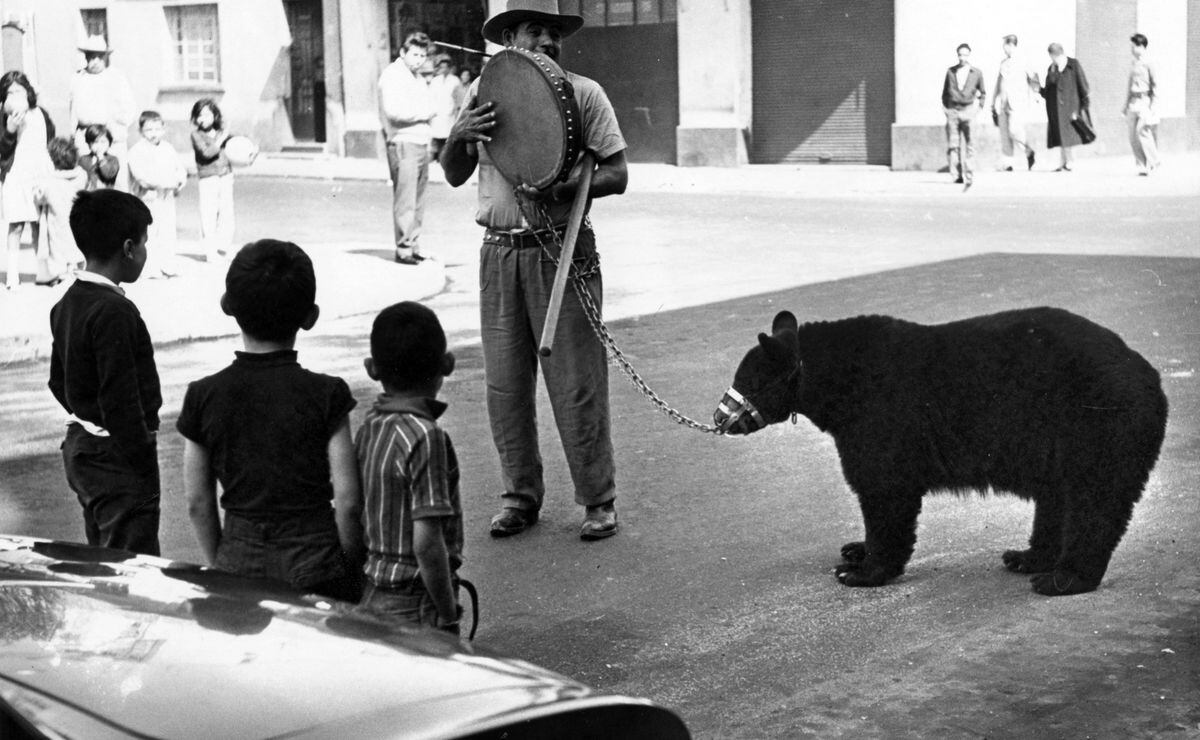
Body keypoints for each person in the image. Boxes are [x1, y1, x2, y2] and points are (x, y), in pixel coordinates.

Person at [441, 0, 628, 540]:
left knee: (577, 383)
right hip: (499, 251)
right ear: (510, 40)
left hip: (561, 251)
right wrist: (458, 135)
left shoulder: (585, 94)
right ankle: (519, 496)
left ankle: (598, 500)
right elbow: (454, 175)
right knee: (505, 385)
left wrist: (569, 186)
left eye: (553, 32)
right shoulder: (483, 93)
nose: (546, 40)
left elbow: (616, 172)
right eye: (533, 31)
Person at [177, 239, 364, 601]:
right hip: (316, 557)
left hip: (239, 554)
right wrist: (351, 569)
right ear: (310, 316)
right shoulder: (328, 394)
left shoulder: (203, 395)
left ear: (227, 307)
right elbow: (349, 502)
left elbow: (197, 501)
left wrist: (223, 560)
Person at [48, 189, 160, 555]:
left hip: (83, 447)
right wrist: (141, 452)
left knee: (102, 552)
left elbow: (56, 380)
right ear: (128, 248)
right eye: (144, 243)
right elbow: (121, 399)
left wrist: (86, 411)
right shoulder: (115, 312)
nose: (145, 253)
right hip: (116, 456)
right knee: (131, 566)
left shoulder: (66, 302)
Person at [355, 301, 464, 633]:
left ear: (372, 369)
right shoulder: (426, 437)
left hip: (373, 589)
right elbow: (427, 543)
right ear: (447, 364)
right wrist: (447, 614)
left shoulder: (369, 427)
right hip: (416, 599)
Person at [378, 31, 435, 265]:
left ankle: (413, 244)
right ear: (403, 52)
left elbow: (430, 103)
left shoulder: (416, 77)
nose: (419, 59)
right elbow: (394, 113)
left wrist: (426, 112)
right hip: (403, 142)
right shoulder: (392, 76)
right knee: (406, 200)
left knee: (418, 199)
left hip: (420, 142)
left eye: (422, 55)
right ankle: (403, 249)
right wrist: (424, 114)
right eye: (414, 54)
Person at [1, 70, 54, 290]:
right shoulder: (4, 116)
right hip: (16, 174)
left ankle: (41, 271)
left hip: (38, 173)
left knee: (38, 224)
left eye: (19, 90)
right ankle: (13, 275)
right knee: (16, 224)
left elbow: (49, 136)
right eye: (10, 92)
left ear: (27, 91)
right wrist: (10, 131)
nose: (15, 95)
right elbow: (2, 150)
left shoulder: (39, 113)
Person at [68, 35, 135, 191]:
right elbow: (73, 110)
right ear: (85, 57)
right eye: (91, 57)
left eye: (99, 57)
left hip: (111, 137)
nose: (95, 61)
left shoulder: (116, 77)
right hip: (85, 138)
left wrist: (115, 126)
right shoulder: (78, 78)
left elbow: (129, 109)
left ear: (105, 57)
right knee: (87, 181)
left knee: (116, 182)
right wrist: (73, 134)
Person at [127, 110, 187, 278]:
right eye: (149, 130)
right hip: (148, 198)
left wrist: (180, 180)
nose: (154, 134)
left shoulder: (168, 148)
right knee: (150, 233)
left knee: (168, 230)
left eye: (157, 129)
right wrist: (169, 182)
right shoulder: (136, 151)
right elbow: (143, 178)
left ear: (164, 129)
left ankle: (168, 265)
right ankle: (149, 268)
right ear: (141, 131)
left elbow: (179, 169)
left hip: (166, 197)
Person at [33, 136, 87, 285]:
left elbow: (40, 198)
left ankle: (64, 275)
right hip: (77, 218)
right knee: (76, 246)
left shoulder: (50, 182)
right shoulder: (81, 176)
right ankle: (76, 271)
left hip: (57, 220)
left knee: (58, 247)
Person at [190, 98, 235, 262]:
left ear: (215, 115)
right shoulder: (196, 135)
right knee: (208, 213)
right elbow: (206, 153)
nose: (203, 119)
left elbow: (237, 146)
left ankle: (223, 247)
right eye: (199, 116)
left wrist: (250, 149)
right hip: (208, 178)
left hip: (226, 175)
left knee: (227, 212)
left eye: (207, 114)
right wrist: (221, 139)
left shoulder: (220, 132)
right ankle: (210, 250)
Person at [941, 43, 986, 187]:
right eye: (960, 54)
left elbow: (983, 93)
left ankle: (969, 174)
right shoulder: (951, 72)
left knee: (970, 144)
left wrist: (978, 109)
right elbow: (945, 93)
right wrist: (947, 110)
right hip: (953, 111)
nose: (962, 58)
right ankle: (956, 175)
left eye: (965, 55)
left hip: (969, 111)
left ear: (969, 55)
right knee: (954, 145)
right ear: (957, 55)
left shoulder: (976, 73)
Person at [1040, 43, 1091, 172]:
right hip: (1057, 109)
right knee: (1062, 136)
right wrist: (1039, 90)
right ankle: (1064, 162)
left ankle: (1069, 162)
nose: (1054, 59)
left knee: (1068, 135)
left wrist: (1084, 106)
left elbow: (1083, 85)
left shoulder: (1073, 64)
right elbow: (1048, 91)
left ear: (1060, 54)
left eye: (1055, 56)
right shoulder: (1052, 68)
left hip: (1071, 107)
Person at [992, 34, 1037, 172]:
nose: (1003, 49)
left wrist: (1035, 94)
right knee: (1004, 133)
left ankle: (1029, 151)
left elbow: (1033, 78)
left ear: (1011, 45)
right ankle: (1008, 163)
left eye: (1004, 45)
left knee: (1014, 129)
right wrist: (994, 100)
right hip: (1003, 103)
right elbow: (999, 82)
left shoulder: (1023, 61)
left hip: (1017, 103)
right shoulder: (1003, 63)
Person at [1123, 33, 1159, 176]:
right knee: (1132, 135)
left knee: (1142, 130)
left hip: (1145, 101)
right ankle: (1141, 164)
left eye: (1135, 46)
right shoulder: (1133, 63)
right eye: (1131, 46)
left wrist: (1153, 107)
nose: (1132, 49)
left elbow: (1155, 85)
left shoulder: (1149, 63)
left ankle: (1154, 161)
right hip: (1133, 101)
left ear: (1142, 46)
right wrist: (1125, 105)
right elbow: (1129, 85)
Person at [428, 54, 465, 163]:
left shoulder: (455, 81)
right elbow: (430, 97)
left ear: (449, 68)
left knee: (447, 138)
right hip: (437, 113)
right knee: (436, 137)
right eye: (441, 67)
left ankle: (446, 160)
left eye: (446, 67)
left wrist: (456, 112)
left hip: (449, 114)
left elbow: (459, 99)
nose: (443, 69)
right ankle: (437, 158)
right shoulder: (435, 81)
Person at [79, 124, 119, 190]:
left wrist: (101, 159)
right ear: (89, 144)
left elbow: (109, 175)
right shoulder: (83, 159)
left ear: (109, 143)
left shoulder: (113, 160)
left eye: (103, 142)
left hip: (105, 195)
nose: (99, 146)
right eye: (95, 142)